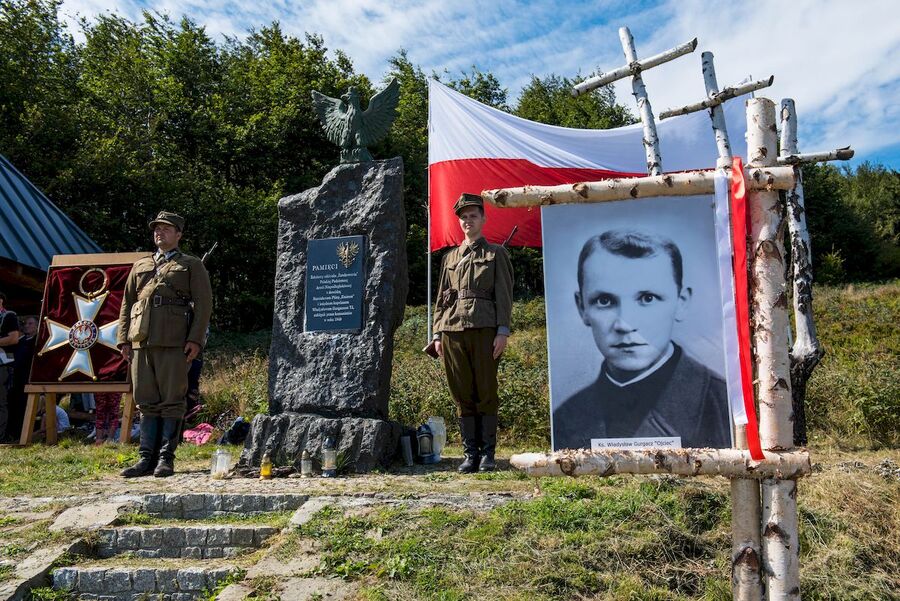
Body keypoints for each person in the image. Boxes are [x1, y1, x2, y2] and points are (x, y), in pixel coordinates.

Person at [552, 230, 731, 450]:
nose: (625, 325)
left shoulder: (723, 406)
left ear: (681, 302)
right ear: (582, 308)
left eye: (647, 298)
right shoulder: (566, 417)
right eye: (605, 301)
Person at [117, 211, 212, 477]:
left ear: (179, 234)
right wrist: (123, 339)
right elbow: (127, 304)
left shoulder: (191, 265)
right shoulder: (140, 266)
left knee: (172, 400)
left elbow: (204, 306)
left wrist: (194, 340)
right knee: (145, 400)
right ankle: (145, 458)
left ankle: (165, 458)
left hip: (174, 341)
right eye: (157, 229)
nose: (160, 232)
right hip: (142, 340)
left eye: (167, 229)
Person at [430, 193, 513, 473]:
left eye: (473, 216)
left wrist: (502, 330)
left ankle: (488, 454)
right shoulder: (450, 257)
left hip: (485, 329)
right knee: (461, 391)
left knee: (486, 391)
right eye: (463, 217)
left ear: (483, 219)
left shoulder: (496, 253)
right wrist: (437, 333)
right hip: (453, 329)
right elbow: (442, 297)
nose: (468, 221)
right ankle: (470, 454)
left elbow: (504, 295)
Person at [8, 315, 37, 441]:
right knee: (15, 405)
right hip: (17, 378)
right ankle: (13, 433)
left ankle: (24, 434)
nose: (27, 326)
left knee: (25, 406)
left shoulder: (38, 341)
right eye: (26, 323)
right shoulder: (21, 341)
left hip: (29, 378)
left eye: (30, 324)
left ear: (37, 326)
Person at [0, 292, 20, 442]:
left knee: (1, 401)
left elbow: (14, 338)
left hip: (2, 364)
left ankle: (1, 436)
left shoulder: (9, 316)